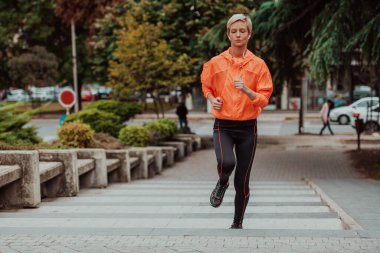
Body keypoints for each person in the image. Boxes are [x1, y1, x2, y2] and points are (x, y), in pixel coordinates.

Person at [201, 14, 273, 229]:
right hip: (223, 125)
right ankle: (222, 182)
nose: (238, 34)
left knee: (242, 180)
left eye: (242, 31)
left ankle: (237, 223)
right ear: (228, 34)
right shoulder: (216, 63)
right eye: (234, 31)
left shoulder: (259, 65)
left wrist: (248, 91)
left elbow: (264, 98)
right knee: (227, 163)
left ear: (249, 34)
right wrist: (213, 99)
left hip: (248, 128)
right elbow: (207, 87)